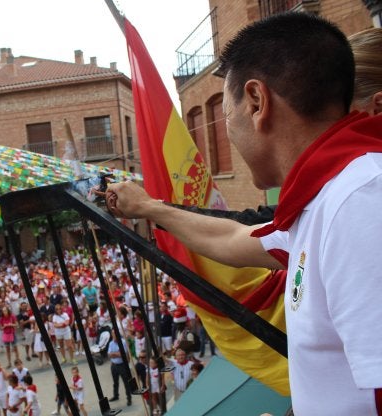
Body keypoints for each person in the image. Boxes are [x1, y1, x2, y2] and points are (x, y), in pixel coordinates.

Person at [105, 14, 382, 415]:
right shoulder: (324, 200)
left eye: (226, 114)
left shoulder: (359, 200)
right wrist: (147, 208)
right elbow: (232, 240)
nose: (229, 131)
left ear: (256, 101)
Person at [107, 331, 131, 406]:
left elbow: (124, 354)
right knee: (115, 382)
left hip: (122, 365)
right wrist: (117, 353)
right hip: (114, 365)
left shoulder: (123, 342)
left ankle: (129, 398)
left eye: (114, 335)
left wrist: (114, 354)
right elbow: (109, 355)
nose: (113, 337)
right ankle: (116, 395)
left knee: (126, 382)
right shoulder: (111, 343)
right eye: (112, 335)